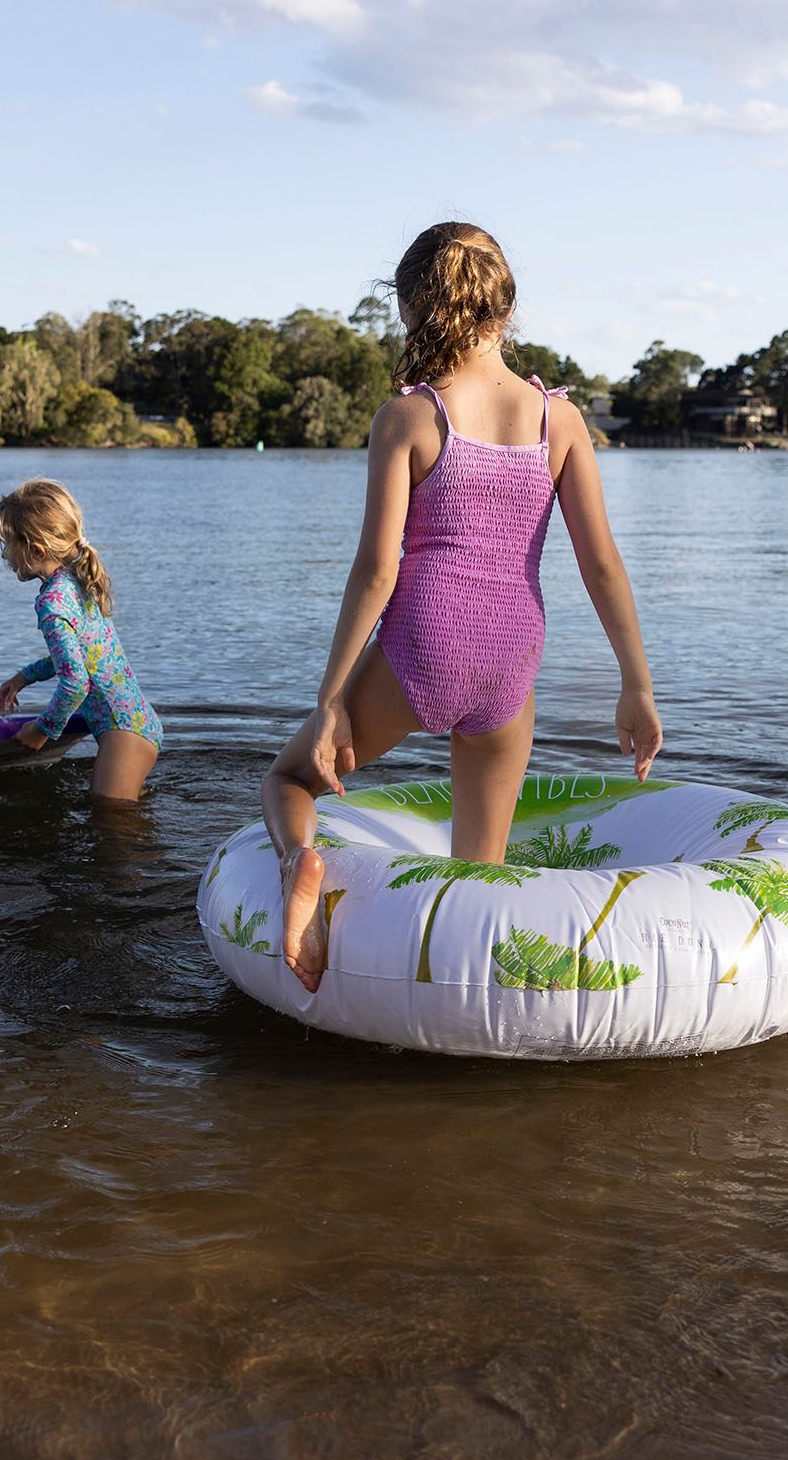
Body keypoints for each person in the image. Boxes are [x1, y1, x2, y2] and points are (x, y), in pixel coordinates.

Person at [263, 222, 664, 990]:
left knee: (286, 781)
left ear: (413, 311)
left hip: (427, 643)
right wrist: (635, 685)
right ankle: (471, 1009)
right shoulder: (561, 419)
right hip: (512, 653)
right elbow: (601, 564)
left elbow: (378, 571)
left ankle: (298, 868)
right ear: (507, 310)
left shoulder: (411, 417)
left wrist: (328, 704)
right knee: (482, 870)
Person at [0, 479, 162, 801]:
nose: (4, 554)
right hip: (136, 722)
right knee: (123, 822)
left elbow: (76, 681)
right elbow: (87, 654)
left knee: (114, 830)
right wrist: (25, 676)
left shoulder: (52, 603)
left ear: (35, 549)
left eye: (7, 544)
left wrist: (42, 730)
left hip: (122, 733)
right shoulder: (76, 580)